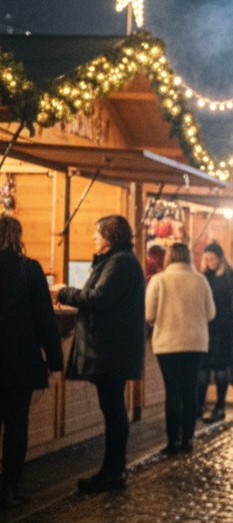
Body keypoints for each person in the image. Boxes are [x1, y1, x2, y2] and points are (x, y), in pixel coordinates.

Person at [56, 214, 146, 493]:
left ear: (109, 236)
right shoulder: (121, 261)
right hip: (113, 350)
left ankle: (113, 471)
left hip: (110, 350)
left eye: (97, 234)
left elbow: (98, 298)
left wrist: (63, 292)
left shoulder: (119, 262)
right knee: (113, 408)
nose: (93, 239)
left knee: (114, 409)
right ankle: (112, 469)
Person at [0, 214, 63, 507]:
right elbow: (45, 321)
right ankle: (10, 487)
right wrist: (55, 360)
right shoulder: (29, 269)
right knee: (16, 425)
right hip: (20, 362)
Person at [145, 242, 215, 454]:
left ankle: (172, 442)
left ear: (168, 258)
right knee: (190, 390)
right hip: (195, 343)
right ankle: (188, 440)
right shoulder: (200, 280)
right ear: (188, 258)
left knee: (172, 392)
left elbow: (149, 314)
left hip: (167, 344)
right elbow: (211, 312)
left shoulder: (159, 280)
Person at [197, 240, 233, 422]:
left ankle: (219, 406)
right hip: (209, 328)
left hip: (222, 328)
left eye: (212, 258)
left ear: (220, 258)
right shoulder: (209, 277)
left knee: (219, 368)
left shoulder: (224, 278)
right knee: (205, 368)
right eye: (207, 259)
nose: (209, 262)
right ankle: (202, 405)